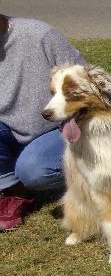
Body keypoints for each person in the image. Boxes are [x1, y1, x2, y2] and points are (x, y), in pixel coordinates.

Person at [0, 14, 85, 231]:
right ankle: (15, 192)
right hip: (10, 128)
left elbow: (87, 81)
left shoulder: (39, 35)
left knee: (34, 170)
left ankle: (96, 175)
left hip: (59, 128)